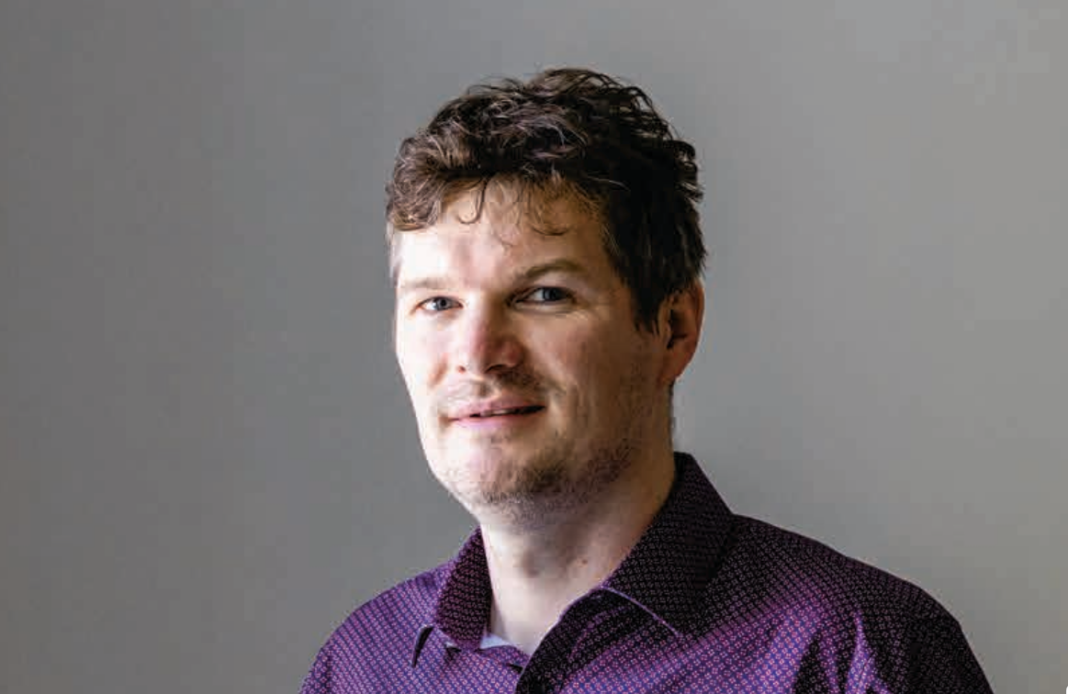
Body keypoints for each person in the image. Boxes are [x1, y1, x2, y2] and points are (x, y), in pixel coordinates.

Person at [299, 67, 992, 693]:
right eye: (437, 304)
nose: (477, 354)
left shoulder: (861, 655)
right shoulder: (360, 667)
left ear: (672, 328)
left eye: (543, 295)